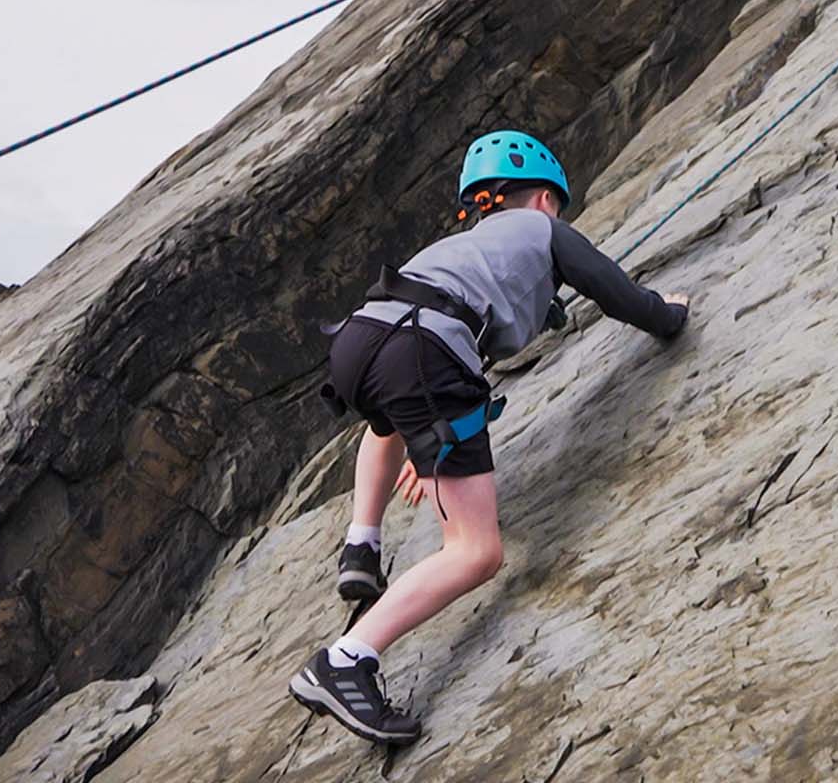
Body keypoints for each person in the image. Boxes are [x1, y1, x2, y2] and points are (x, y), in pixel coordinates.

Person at [288, 130, 691, 744]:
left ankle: (361, 545)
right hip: (420, 355)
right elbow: (615, 291)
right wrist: (669, 314)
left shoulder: (460, 247)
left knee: (384, 423)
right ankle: (345, 662)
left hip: (360, 338)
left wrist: (430, 445)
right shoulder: (544, 230)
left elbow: (457, 337)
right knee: (477, 551)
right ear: (545, 199)